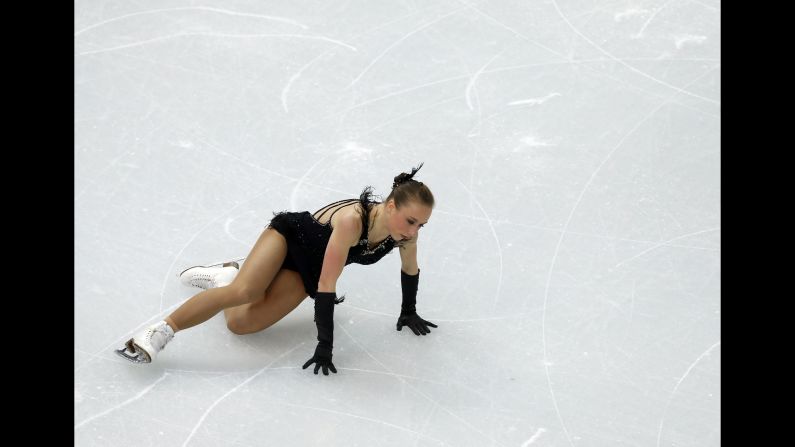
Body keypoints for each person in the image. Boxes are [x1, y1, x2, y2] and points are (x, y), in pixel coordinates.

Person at [116, 163, 437, 376]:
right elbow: (328, 283)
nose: (413, 231)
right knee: (246, 291)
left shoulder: (404, 237)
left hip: (307, 270)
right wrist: (325, 346)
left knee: (241, 325)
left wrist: (408, 311)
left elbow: (410, 268)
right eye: (411, 221)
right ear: (391, 205)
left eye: (421, 224)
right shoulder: (354, 220)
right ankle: (159, 332)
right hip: (289, 239)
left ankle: (227, 273)